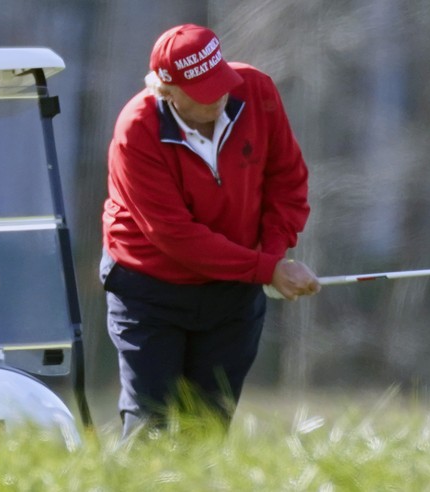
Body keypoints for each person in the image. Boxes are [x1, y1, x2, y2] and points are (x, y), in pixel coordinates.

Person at [100, 23, 320, 437]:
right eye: (202, 91)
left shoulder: (255, 91)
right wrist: (265, 269)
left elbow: (287, 182)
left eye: (220, 82)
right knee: (151, 426)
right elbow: (175, 236)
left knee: (206, 429)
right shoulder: (137, 129)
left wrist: (272, 256)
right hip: (150, 289)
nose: (218, 97)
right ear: (167, 91)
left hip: (231, 290)